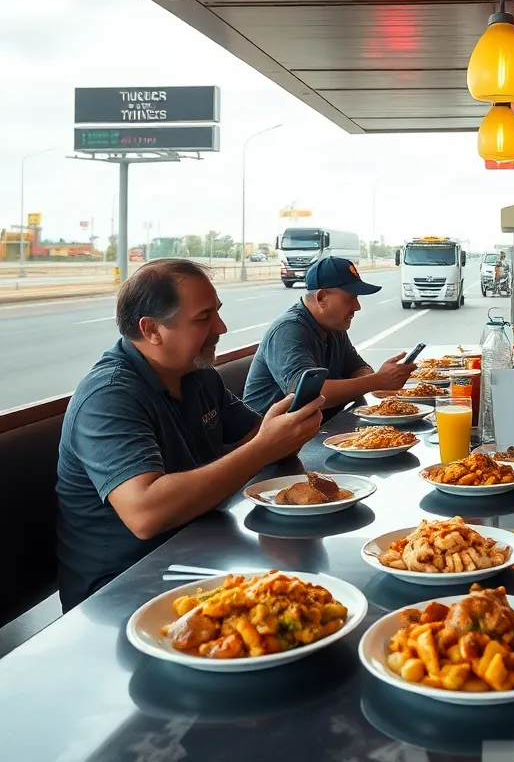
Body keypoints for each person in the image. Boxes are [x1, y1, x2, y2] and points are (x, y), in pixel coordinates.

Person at [56, 260, 324, 610]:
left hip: (200, 547)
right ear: (152, 329)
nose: (221, 327)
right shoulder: (108, 396)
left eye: (218, 312)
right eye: (203, 318)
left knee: (314, 585)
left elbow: (256, 438)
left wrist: (287, 430)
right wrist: (264, 447)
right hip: (123, 588)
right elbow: (145, 513)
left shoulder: (198, 375)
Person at [243, 257, 416, 418]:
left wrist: (370, 380)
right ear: (321, 298)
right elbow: (308, 395)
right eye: (351, 298)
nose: (357, 306)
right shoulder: (289, 329)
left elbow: (359, 367)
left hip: (318, 427)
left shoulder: (334, 326)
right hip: (272, 442)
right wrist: (377, 381)